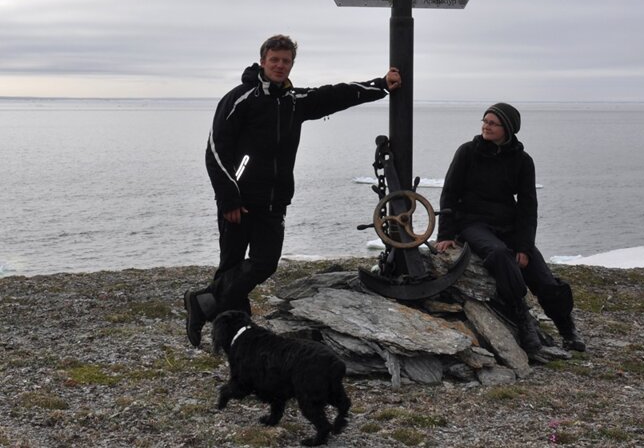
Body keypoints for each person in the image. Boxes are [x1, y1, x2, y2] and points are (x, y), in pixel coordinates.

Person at [184, 34, 401, 347]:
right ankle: (233, 337)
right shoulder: (240, 99)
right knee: (231, 268)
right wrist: (228, 197)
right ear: (263, 61)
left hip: (274, 202)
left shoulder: (293, 101)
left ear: (291, 64)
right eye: (275, 60)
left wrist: (380, 84)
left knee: (264, 263)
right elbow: (215, 151)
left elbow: (336, 95)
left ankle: (201, 301)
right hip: (239, 201)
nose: (280, 66)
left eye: (286, 61)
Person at [434, 103, 585, 361]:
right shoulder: (468, 152)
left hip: (508, 224)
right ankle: (524, 325)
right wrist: (445, 233)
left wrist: (525, 247)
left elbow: (528, 206)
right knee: (499, 254)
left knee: (542, 276)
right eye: (485, 121)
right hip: (472, 223)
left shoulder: (522, 161)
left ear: (508, 129)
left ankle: (566, 328)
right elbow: (450, 192)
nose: (486, 126)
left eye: (493, 123)